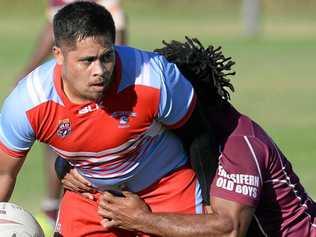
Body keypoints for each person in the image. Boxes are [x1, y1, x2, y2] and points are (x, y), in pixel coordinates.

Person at [61, 38, 316, 236]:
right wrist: (65, 166)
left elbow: (228, 229)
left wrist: (141, 219)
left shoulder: (239, 144)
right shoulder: (187, 138)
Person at [0, 2, 213, 237]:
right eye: (87, 60)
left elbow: (200, 136)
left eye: (107, 57)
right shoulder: (28, 102)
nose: (99, 70)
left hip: (166, 188)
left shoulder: (153, 77)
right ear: (58, 55)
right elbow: (4, 174)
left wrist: (211, 203)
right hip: (92, 198)